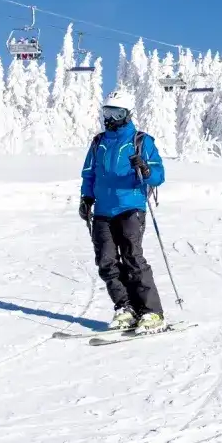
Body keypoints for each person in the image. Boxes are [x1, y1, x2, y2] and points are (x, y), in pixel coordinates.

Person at [78, 88, 168, 332]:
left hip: (130, 207)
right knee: (106, 262)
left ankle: (152, 313)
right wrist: (86, 198)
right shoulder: (99, 142)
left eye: (116, 113)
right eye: (107, 112)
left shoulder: (141, 141)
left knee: (132, 259)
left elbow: (159, 175)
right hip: (103, 211)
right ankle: (125, 308)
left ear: (127, 114)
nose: (110, 118)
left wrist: (146, 171)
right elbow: (89, 173)